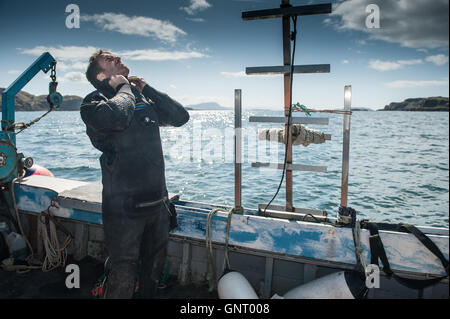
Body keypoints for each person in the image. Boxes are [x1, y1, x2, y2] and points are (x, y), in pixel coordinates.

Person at [80, 50, 189, 298]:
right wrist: (124, 89)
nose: (117, 58)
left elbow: (181, 117)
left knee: (152, 273)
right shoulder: (92, 103)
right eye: (109, 60)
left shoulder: (140, 98)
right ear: (100, 75)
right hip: (124, 211)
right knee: (123, 276)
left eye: (116, 57)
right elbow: (117, 118)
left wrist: (146, 89)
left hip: (158, 206)